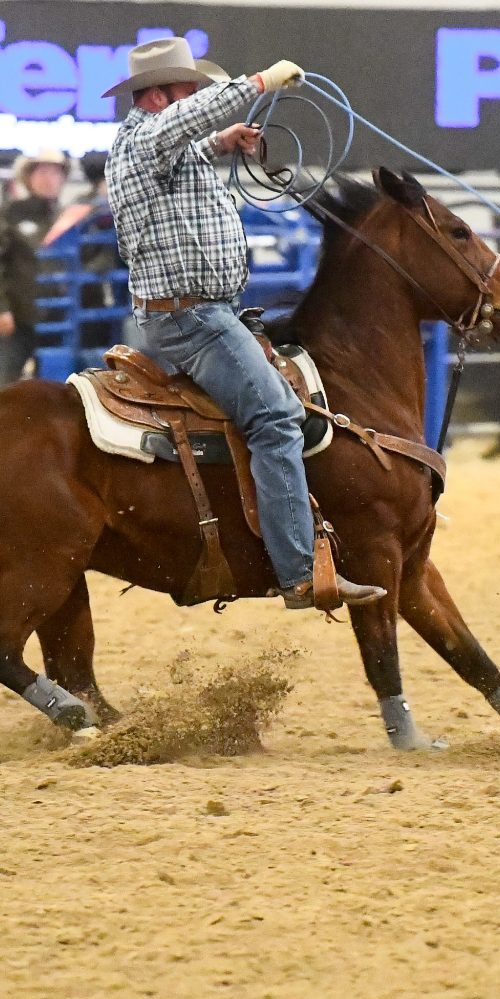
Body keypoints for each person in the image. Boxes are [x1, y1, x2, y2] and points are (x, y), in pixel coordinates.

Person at [106, 36, 385, 611]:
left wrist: (224, 141)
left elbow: (187, 141)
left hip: (202, 312)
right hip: (194, 320)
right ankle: (300, 572)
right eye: (187, 91)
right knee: (277, 418)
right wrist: (260, 82)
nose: (196, 100)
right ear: (157, 96)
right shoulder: (145, 137)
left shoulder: (161, 146)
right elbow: (180, 127)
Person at [0, 149, 65, 388]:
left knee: (52, 392)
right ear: (28, 177)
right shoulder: (8, 214)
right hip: (15, 319)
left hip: (54, 321)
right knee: (0, 388)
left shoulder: (65, 218)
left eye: (56, 172)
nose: (49, 178)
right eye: (42, 172)